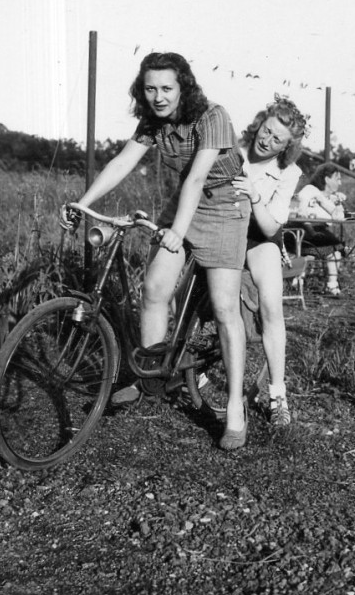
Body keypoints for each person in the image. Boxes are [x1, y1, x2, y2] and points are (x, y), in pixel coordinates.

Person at [61, 52, 250, 451]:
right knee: (153, 289)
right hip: (184, 202)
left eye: (167, 88)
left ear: (184, 86)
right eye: (151, 88)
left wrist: (177, 232)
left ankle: (235, 408)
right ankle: (150, 380)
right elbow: (123, 161)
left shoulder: (211, 115)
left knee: (223, 306)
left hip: (223, 206)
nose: (159, 96)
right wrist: (82, 202)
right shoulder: (153, 121)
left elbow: (199, 176)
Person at [232, 95, 309, 427]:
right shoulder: (235, 150)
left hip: (261, 233)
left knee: (271, 306)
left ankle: (278, 395)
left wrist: (254, 194)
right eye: (266, 131)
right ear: (259, 124)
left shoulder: (289, 172)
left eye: (277, 139)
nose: (267, 140)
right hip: (226, 227)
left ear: (286, 147)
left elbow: (268, 226)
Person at [290, 163, 346, 296]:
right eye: (337, 179)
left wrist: (337, 202)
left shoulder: (329, 197)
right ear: (327, 179)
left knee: (335, 249)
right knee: (335, 247)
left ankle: (331, 285)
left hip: (314, 234)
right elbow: (297, 210)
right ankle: (328, 285)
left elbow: (339, 217)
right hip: (303, 231)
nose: (340, 182)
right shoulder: (310, 191)